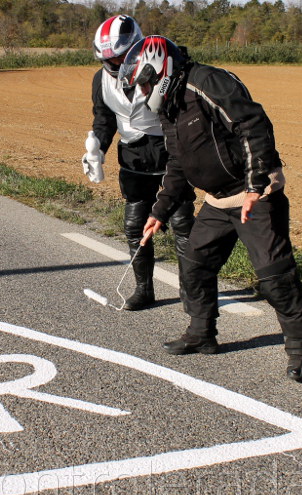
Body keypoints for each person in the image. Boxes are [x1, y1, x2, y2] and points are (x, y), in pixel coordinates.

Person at [119, 36, 302, 381]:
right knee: (194, 264)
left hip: (254, 195)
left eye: (144, 84)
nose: (143, 92)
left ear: (160, 70)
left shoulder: (207, 82)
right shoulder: (169, 105)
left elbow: (253, 125)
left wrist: (256, 185)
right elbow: (178, 165)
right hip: (217, 200)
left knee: (274, 277)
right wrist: (160, 211)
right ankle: (202, 334)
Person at [85, 16, 195, 310]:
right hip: (134, 156)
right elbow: (104, 118)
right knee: (135, 225)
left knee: (182, 222)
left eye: (121, 56)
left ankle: (191, 292)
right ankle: (143, 290)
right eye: (109, 58)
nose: (115, 63)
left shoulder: (169, 68)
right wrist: (97, 145)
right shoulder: (101, 79)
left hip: (170, 150)